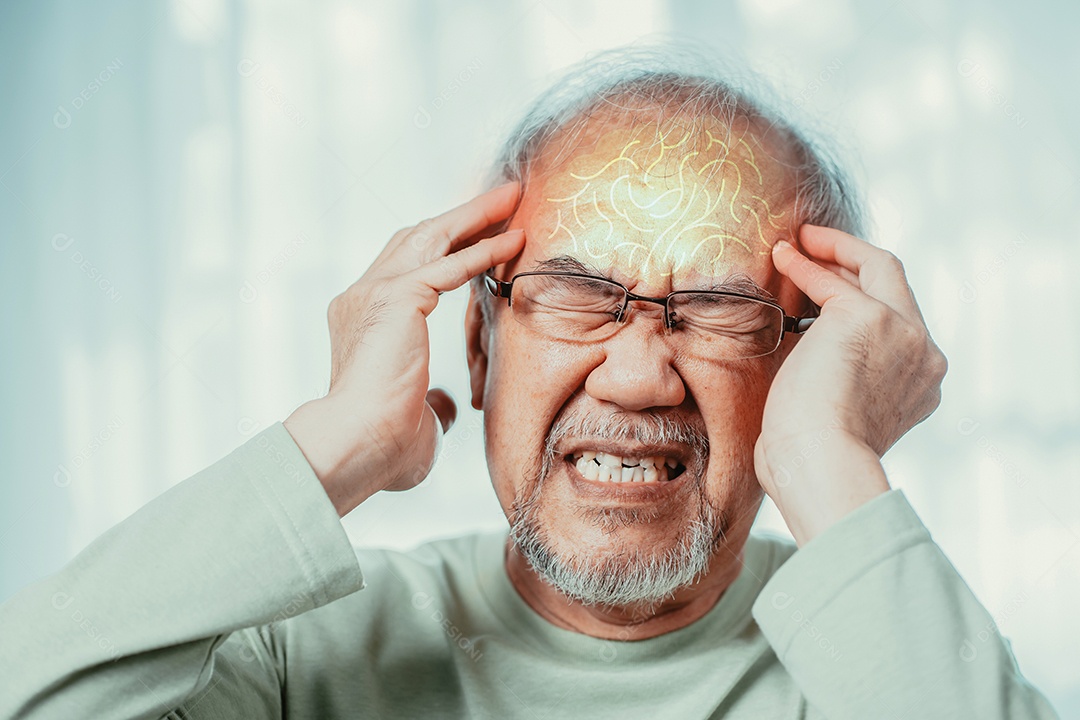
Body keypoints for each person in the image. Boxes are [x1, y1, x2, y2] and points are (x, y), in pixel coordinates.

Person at [0, 47, 1059, 719]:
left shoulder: (890, 648)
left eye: (720, 311)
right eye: (576, 294)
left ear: (805, 365)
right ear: (478, 350)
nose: (638, 378)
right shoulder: (298, 656)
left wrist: (831, 463)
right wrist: (337, 442)